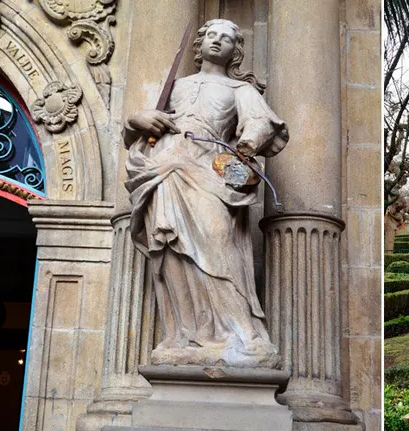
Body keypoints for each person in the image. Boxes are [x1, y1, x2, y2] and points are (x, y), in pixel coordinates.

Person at [123, 19, 289, 368]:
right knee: (169, 250)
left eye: (226, 38)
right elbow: (137, 133)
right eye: (211, 35)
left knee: (216, 244)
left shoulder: (239, 90)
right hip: (164, 169)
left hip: (208, 170)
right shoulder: (178, 86)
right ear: (198, 45)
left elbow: (263, 124)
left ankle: (244, 335)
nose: (217, 41)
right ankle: (185, 336)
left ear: (235, 51)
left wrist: (247, 143)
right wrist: (139, 118)